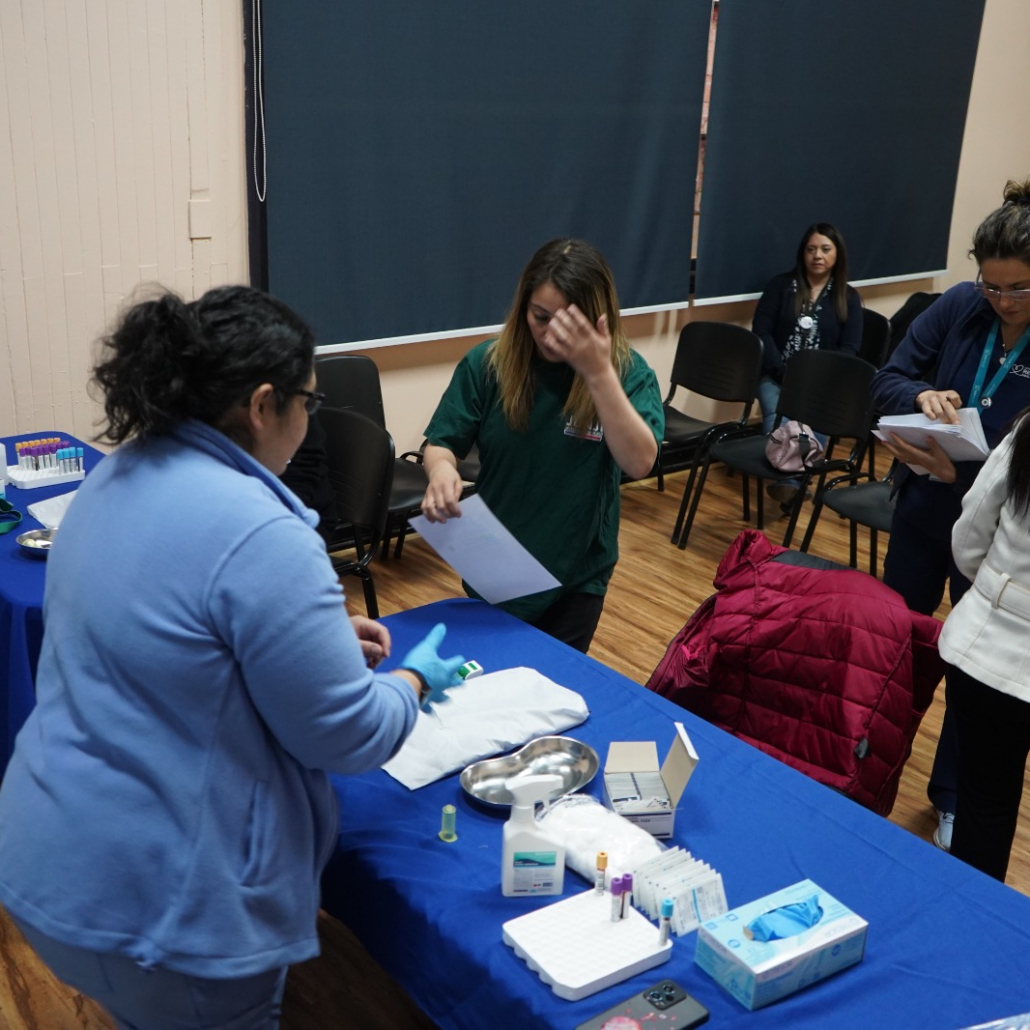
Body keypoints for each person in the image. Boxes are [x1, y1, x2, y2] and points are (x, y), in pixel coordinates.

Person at [0, 285, 464, 1029]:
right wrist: (411, 682)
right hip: (165, 910)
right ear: (261, 405)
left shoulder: (116, 473)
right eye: (309, 402)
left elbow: (161, 639)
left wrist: (304, 642)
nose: (310, 421)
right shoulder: (264, 532)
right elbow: (347, 736)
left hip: (49, 856)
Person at [872, 176, 1030, 853]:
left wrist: (961, 470)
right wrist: (922, 396)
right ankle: (868, 761)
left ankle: (953, 799)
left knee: (973, 677)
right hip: (924, 511)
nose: (1003, 301)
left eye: (1018, 289)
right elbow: (886, 378)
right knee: (895, 649)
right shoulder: (962, 305)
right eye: (992, 285)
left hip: (995, 547)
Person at [420, 238, 664, 654]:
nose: (550, 335)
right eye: (540, 317)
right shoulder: (488, 364)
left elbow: (640, 463)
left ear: (597, 318)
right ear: (523, 309)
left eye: (567, 324)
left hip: (576, 577)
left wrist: (598, 374)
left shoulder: (627, 373)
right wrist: (441, 470)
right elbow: (442, 442)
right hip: (496, 563)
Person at [938, 407, 1030, 881]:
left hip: (988, 646)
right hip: (993, 652)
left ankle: (970, 912)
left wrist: (998, 592)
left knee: (983, 803)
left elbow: (971, 532)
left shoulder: (1026, 431)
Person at [752, 223, 863, 508]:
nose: (817, 256)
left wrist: (818, 380)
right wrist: (782, 371)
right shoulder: (780, 286)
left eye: (825, 249)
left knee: (814, 422)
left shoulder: (848, 297)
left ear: (837, 254)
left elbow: (850, 348)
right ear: (802, 253)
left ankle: (789, 482)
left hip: (822, 384)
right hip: (776, 376)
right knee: (777, 418)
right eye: (811, 249)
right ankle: (792, 482)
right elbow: (762, 332)